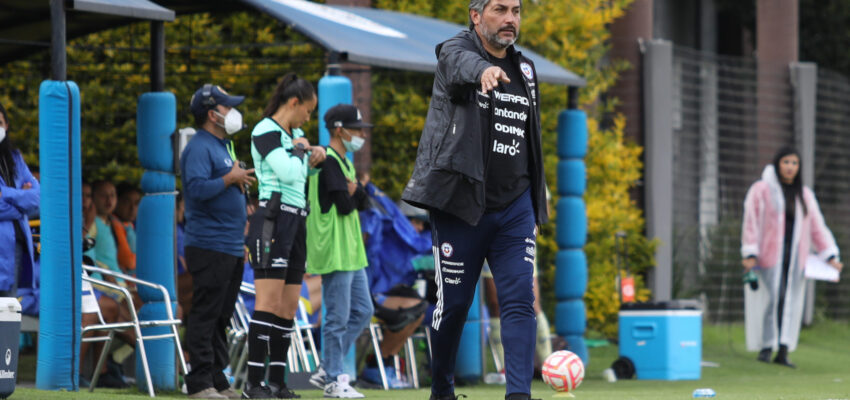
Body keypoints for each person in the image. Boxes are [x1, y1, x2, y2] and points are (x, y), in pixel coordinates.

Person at [401, 0, 547, 398]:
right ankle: (442, 387)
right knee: (454, 307)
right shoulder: (454, 52)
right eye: (500, 9)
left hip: (516, 207)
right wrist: (484, 70)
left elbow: (530, 143)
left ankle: (518, 394)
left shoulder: (527, 70)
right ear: (476, 15)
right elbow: (460, 64)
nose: (511, 19)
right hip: (461, 205)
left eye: (516, 10)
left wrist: (536, 204)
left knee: (519, 300)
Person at [242, 73, 325, 399]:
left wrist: (312, 153)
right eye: (308, 110)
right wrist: (305, 151)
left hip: (297, 221)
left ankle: (277, 382)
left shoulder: (297, 136)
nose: (309, 117)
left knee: (289, 307)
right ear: (293, 103)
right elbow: (289, 171)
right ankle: (252, 384)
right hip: (272, 220)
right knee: (268, 303)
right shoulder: (265, 130)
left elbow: (302, 170)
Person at [181, 83, 255, 400]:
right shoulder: (199, 147)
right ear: (213, 114)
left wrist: (239, 185)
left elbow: (224, 187)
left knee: (221, 316)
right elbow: (196, 190)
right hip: (209, 244)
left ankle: (216, 379)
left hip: (229, 246)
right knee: (205, 313)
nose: (233, 112)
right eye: (227, 107)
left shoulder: (223, 147)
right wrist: (230, 179)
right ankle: (198, 383)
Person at [741, 147, 842, 368]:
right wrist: (750, 252)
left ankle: (783, 349)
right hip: (769, 257)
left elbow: (817, 227)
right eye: (786, 162)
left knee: (790, 300)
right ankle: (767, 345)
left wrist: (830, 255)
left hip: (795, 257)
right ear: (778, 164)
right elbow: (751, 221)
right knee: (776, 297)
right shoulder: (761, 190)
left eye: (794, 163)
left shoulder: (804, 195)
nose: (790, 167)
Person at [305, 103, 373, 399]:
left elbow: (364, 200)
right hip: (334, 249)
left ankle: (326, 369)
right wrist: (357, 192)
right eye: (356, 129)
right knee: (337, 316)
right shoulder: (327, 160)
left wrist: (356, 190)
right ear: (339, 130)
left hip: (351, 251)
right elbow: (347, 205)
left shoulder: (343, 162)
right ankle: (332, 379)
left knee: (363, 310)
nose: (361, 135)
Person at [0, 101, 40, 299]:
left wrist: (6, 194)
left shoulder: (15, 158)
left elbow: (37, 198)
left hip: (15, 247)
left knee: (7, 313)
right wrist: (21, 202)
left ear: (6, 125)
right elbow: (27, 202)